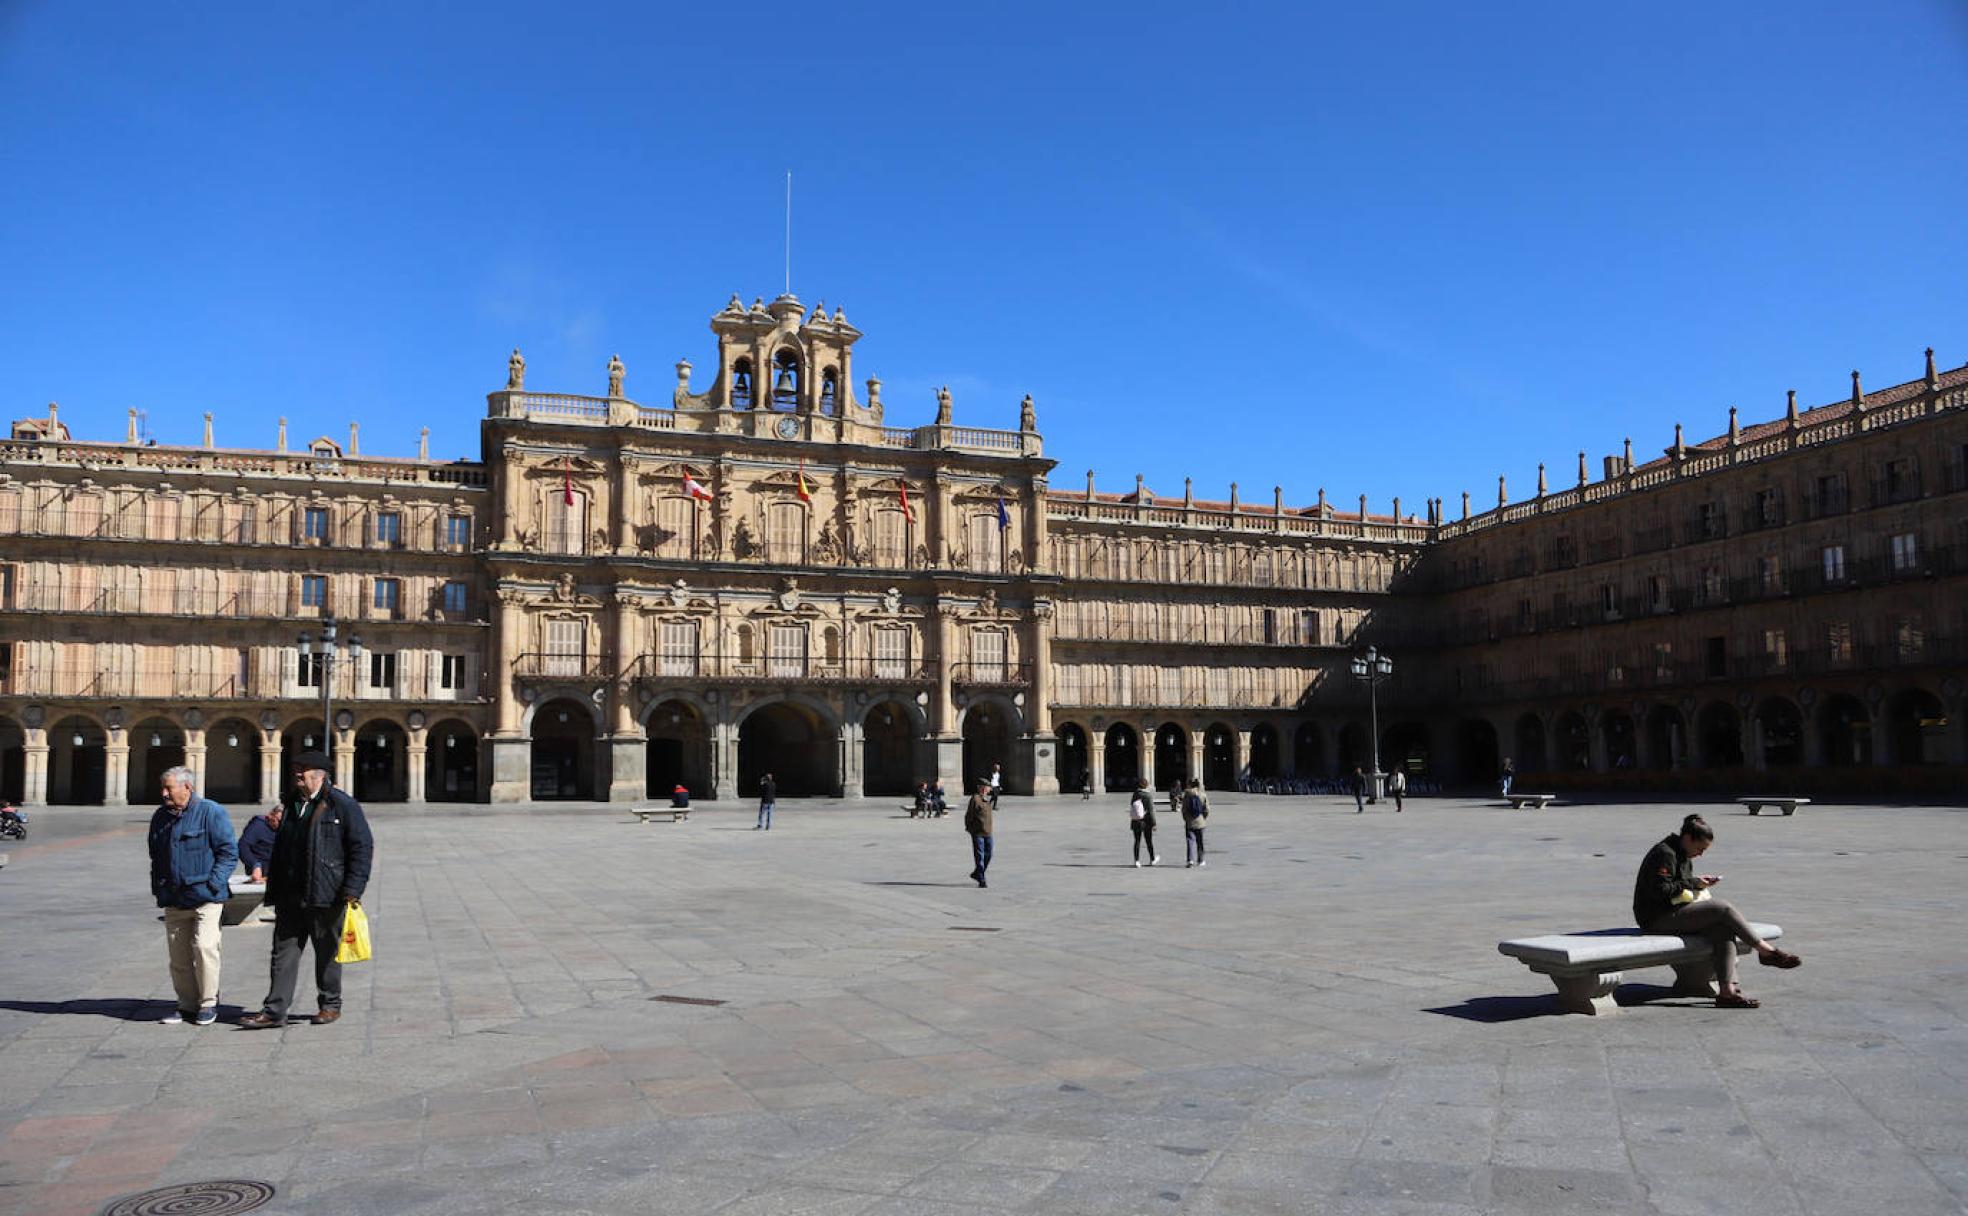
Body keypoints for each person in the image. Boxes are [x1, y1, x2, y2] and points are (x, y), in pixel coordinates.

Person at [239, 752, 374, 1030]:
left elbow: (362, 846)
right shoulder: (291, 804)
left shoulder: (342, 805)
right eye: (297, 769)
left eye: (304, 770)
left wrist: (353, 888)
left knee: (327, 952)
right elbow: (282, 847)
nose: (298, 774)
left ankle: (329, 1004)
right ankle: (275, 1011)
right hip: (290, 892)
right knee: (282, 953)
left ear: (321, 774)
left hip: (327, 892)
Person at [1633, 813, 1801, 1009]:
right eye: (1700, 848)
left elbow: (1677, 884)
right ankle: (1765, 951)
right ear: (1687, 838)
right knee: (1723, 908)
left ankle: (1727, 992)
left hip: (1675, 911)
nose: (1700, 854)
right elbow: (1661, 889)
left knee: (1723, 929)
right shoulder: (1665, 853)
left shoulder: (1682, 853)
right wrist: (1693, 882)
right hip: (1656, 917)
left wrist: (1696, 883)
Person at [147, 767, 238, 1026]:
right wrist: (159, 886)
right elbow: (156, 855)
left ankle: (209, 1002)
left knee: (205, 947)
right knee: (178, 956)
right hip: (174, 897)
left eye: (169, 788)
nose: (164, 793)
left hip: (206, 895)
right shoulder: (160, 817)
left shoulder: (211, 811)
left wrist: (214, 883)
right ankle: (187, 1004)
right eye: (163, 788)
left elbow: (228, 851)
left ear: (187, 787)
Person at [237, 803, 282, 882]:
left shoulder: (284, 828)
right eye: (278, 821)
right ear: (271, 815)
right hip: (261, 873)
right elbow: (243, 846)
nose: (280, 824)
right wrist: (255, 865)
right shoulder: (258, 825)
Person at [964, 779, 994, 888]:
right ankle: (981, 879)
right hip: (978, 833)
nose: (990, 789)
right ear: (982, 788)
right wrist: (970, 828)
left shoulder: (987, 799)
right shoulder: (975, 799)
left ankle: (977, 873)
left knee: (989, 854)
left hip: (988, 832)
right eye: (988, 787)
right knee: (980, 856)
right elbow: (969, 816)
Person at [1128, 778, 1158, 867]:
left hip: (1136, 821)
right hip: (1146, 821)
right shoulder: (1148, 795)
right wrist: (1154, 823)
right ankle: (1152, 859)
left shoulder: (1135, 794)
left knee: (1137, 841)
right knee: (1149, 841)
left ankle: (1137, 861)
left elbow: (1132, 806)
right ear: (1146, 785)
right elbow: (1151, 811)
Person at [1182, 779, 1209, 868]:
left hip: (1190, 822)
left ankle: (1190, 860)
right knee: (1200, 842)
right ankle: (1201, 860)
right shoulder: (1203, 795)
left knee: (1190, 841)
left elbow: (1184, 809)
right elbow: (1206, 809)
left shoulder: (1187, 795)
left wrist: (1186, 819)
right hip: (1201, 821)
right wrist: (1203, 818)